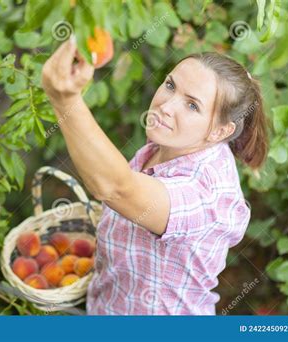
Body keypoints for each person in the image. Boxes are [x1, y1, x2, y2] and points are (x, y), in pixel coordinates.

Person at [41, 36, 268, 315]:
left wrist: (64, 99)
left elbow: (116, 188)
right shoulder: (170, 145)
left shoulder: (207, 192)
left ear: (219, 131)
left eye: (192, 105)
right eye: (170, 85)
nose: (167, 105)